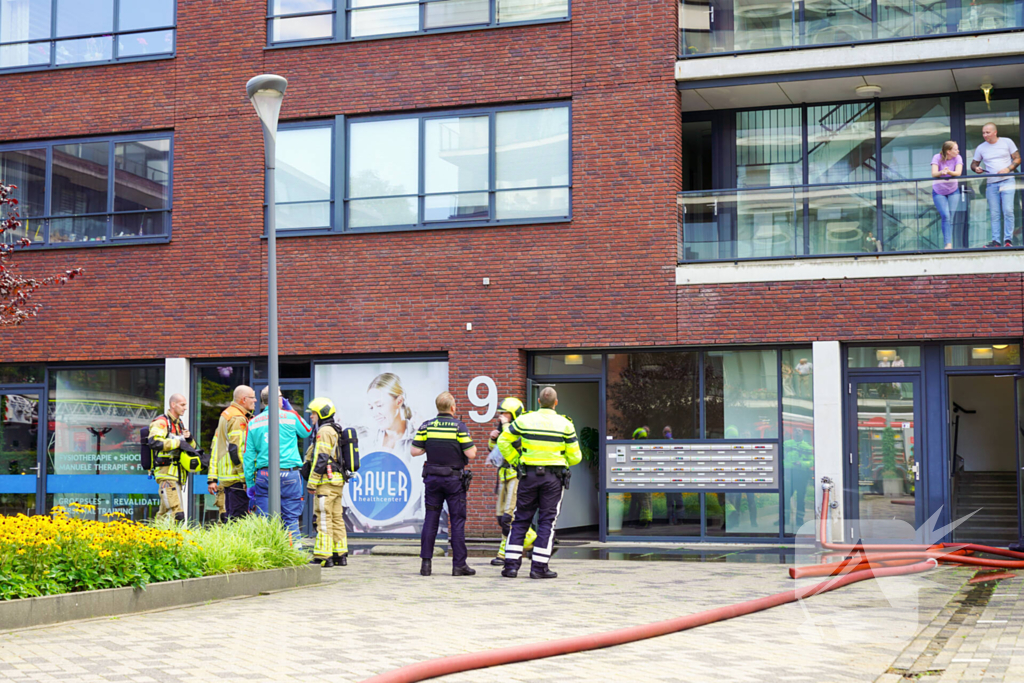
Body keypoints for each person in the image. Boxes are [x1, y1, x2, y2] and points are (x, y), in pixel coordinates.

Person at [498, 386, 582, 579]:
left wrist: (516, 460)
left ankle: (510, 567)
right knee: (547, 521)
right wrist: (562, 462)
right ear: (556, 403)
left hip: (528, 476)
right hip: (553, 478)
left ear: (538, 402)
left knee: (520, 519)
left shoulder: (524, 420)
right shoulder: (565, 424)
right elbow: (576, 456)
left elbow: (503, 441)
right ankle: (539, 568)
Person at [410, 391, 477, 577]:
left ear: (438, 407)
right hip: (454, 481)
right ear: (453, 408)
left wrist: (428, 447)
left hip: (432, 480)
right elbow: (471, 454)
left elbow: (414, 451)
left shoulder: (426, 426)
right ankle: (459, 565)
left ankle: (426, 565)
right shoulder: (459, 427)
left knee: (430, 519)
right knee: (456, 521)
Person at [244, 387, 312, 541]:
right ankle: (294, 552)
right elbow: (307, 431)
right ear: (278, 399)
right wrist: (291, 409)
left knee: (264, 521)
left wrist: (250, 483)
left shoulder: (253, 423)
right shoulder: (291, 417)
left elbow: (248, 456)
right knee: (291, 520)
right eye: (281, 396)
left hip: (264, 475)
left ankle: (267, 553)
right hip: (289, 475)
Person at [486, 397, 537, 566]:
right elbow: (496, 451)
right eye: (501, 413)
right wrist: (493, 439)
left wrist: (505, 426)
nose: (501, 416)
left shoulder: (521, 427)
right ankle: (532, 540)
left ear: (514, 414)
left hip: (516, 476)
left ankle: (504, 553)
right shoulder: (503, 429)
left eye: (505, 413)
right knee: (501, 517)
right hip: (503, 476)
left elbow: (514, 442)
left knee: (509, 516)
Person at [305, 397, 353, 568]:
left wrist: (312, 483)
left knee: (323, 519)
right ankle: (340, 554)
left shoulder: (324, 431)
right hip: (337, 482)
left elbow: (321, 458)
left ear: (322, 414)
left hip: (326, 482)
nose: (311, 416)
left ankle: (323, 556)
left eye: (314, 413)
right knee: (336, 518)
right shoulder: (335, 429)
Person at [208, 385, 256, 522]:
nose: (255, 400)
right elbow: (237, 450)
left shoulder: (227, 415)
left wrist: (213, 476)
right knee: (239, 521)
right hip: (237, 479)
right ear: (243, 399)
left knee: (230, 519)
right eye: (252, 397)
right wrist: (245, 478)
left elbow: (215, 447)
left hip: (228, 478)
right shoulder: (237, 418)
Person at [148, 393, 196, 522]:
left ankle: (155, 534)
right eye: (182, 405)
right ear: (173, 405)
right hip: (167, 475)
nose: (185, 408)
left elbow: (190, 447)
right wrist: (178, 442)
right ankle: (172, 535)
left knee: (164, 514)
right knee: (177, 514)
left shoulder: (179, 424)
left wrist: (189, 439)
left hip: (177, 475)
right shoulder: (162, 422)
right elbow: (154, 442)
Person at [971, 123, 1020, 248]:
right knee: (994, 213)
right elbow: (974, 164)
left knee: (1008, 210)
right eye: (983, 132)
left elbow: (1017, 159)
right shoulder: (981, 148)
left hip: (1007, 181)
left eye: (987, 132)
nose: (985, 135)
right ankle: (996, 241)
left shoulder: (1007, 142)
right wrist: (976, 168)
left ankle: (1008, 240)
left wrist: (1008, 169)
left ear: (995, 132)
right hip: (991, 184)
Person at [931, 140, 963, 250]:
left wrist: (948, 172)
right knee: (946, 216)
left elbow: (958, 173)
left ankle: (950, 243)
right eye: (955, 149)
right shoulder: (937, 157)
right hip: (938, 191)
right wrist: (941, 172)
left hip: (953, 190)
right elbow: (934, 173)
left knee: (951, 217)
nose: (958, 151)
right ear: (948, 151)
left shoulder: (958, 158)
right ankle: (947, 244)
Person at [783, 427, 814, 528]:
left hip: (801, 475)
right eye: (795, 431)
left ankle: (799, 520)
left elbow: (812, 461)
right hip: (789, 473)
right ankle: (784, 519)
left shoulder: (807, 447)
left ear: (802, 434)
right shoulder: (786, 444)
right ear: (793, 433)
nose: (797, 433)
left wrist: (801, 463)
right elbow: (779, 456)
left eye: (799, 431)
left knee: (801, 499)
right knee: (785, 498)